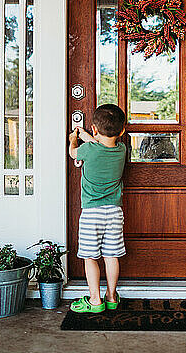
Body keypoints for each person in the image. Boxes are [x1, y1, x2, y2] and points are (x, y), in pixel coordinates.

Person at [67, 104, 127, 313]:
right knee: (112, 256)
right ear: (122, 131)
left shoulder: (87, 149)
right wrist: (89, 137)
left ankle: (95, 300)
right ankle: (111, 296)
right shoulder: (122, 150)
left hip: (92, 213)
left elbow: (73, 153)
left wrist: (74, 137)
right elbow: (101, 146)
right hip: (114, 212)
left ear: (94, 129)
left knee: (90, 256)